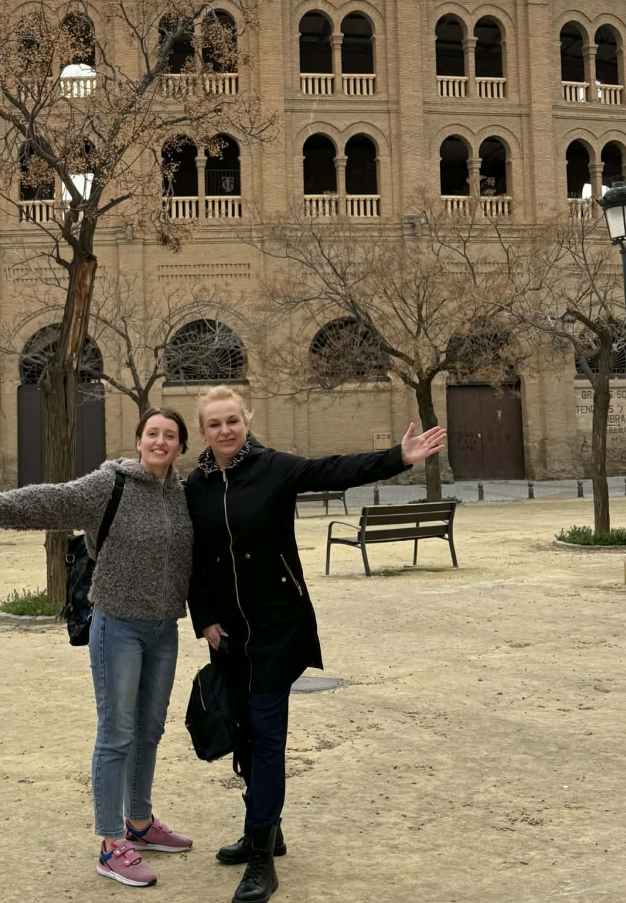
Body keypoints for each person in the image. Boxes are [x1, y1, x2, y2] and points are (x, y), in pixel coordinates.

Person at [186, 385, 447, 903]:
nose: (225, 430)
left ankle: (261, 858)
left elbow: (335, 470)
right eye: (215, 423)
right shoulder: (195, 485)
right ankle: (266, 829)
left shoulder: (274, 468)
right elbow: (193, 558)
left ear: (246, 420)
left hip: (278, 628)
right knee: (242, 733)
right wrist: (205, 619)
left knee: (266, 736)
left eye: (232, 420)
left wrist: (398, 457)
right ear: (203, 431)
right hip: (228, 635)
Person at [0, 407, 195, 889]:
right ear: (138, 440)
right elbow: (48, 501)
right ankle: (111, 843)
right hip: (118, 625)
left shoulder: (181, 493)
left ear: (180, 446)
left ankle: (139, 821)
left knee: (150, 730)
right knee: (117, 733)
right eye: (152, 433)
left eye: (170, 435)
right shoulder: (110, 484)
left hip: (164, 630)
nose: (160, 441)